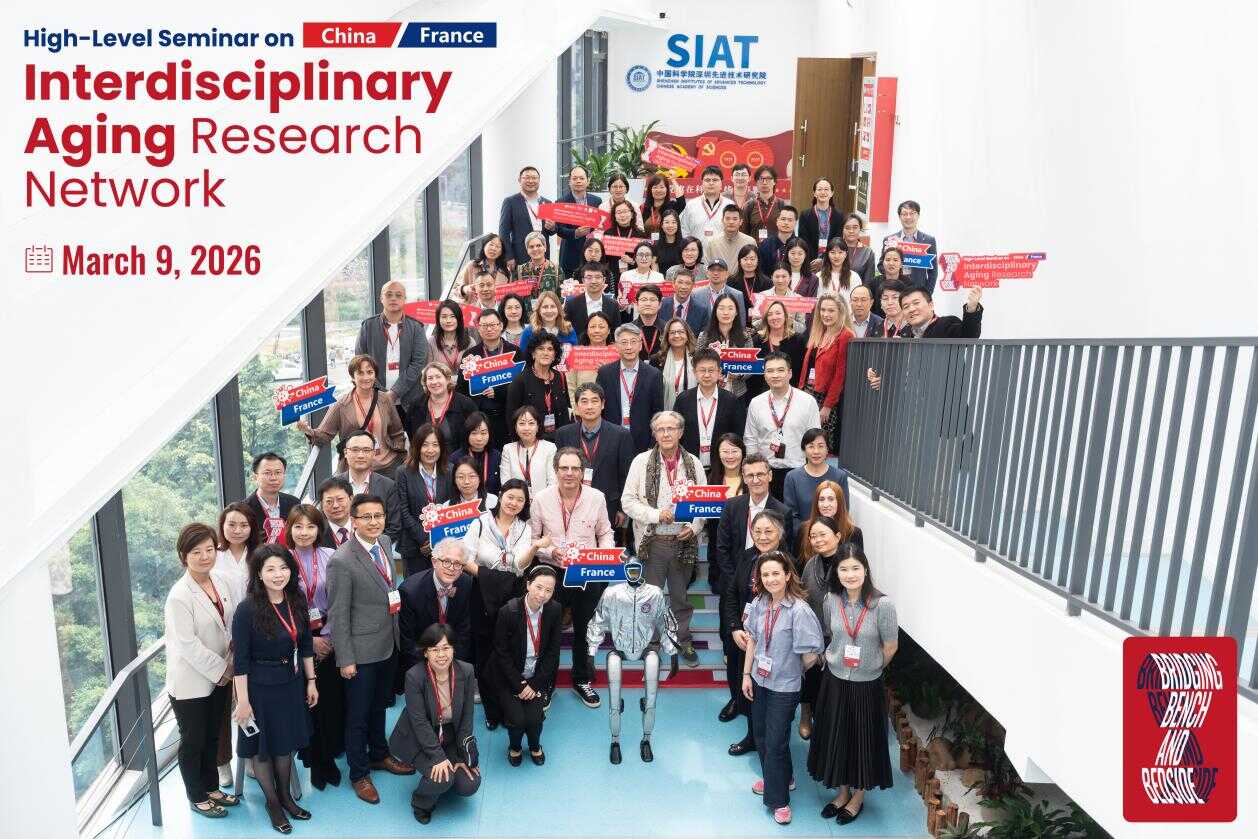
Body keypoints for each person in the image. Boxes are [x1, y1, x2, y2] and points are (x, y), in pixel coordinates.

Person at [327, 493, 415, 805]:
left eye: (378, 515)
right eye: (366, 517)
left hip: (388, 643)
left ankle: (380, 754)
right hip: (360, 653)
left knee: (380, 706)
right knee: (358, 716)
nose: (374, 522)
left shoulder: (385, 543)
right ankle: (359, 773)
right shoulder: (341, 561)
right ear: (353, 521)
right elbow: (338, 615)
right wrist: (346, 659)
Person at [807, 544, 898, 825]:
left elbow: (891, 646)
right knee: (838, 738)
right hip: (834, 681)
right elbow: (830, 633)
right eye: (844, 569)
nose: (850, 574)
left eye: (855, 568)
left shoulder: (882, 605)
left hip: (867, 685)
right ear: (837, 572)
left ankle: (857, 797)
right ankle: (842, 792)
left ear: (866, 570)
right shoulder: (831, 600)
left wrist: (872, 667)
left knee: (861, 742)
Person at [231, 544, 317, 833]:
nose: (278, 574)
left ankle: (286, 797)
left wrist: (312, 681)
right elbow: (240, 661)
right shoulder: (246, 610)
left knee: (284, 743)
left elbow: (305, 644)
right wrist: (243, 702)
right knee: (263, 749)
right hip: (259, 687)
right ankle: (273, 803)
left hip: (291, 682)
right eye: (270, 569)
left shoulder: (297, 600)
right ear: (258, 573)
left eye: (283, 568)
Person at [738, 551, 825, 826]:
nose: (771, 579)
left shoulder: (799, 610)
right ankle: (783, 778)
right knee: (762, 736)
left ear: (787, 575)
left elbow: (812, 654)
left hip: (785, 687)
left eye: (776, 573)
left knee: (775, 741)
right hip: (759, 680)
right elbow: (752, 640)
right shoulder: (759, 603)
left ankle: (779, 801)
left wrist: (792, 669)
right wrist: (746, 675)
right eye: (765, 574)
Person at [530, 447, 616, 707]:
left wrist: (604, 556)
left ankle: (581, 679)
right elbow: (533, 539)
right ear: (556, 471)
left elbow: (605, 533)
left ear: (582, 472)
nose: (569, 473)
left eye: (575, 468)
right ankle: (546, 683)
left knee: (585, 628)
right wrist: (550, 551)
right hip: (552, 572)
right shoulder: (541, 498)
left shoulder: (596, 497)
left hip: (586, 572)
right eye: (564, 468)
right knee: (549, 629)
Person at [459, 479, 547, 729]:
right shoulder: (480, 522)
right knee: (485, 649)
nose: (514, 503)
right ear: (500, 496)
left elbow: (520, 565)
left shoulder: (524, 528)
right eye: (510, 497)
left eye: (520, 500)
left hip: (512, 593)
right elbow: (465, 558)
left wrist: (534, 548)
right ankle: (491, 710)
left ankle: (509, 705)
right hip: (482, 592)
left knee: (509, 649)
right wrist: (488, 578)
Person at [166, 523, 240, 819]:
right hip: (192, 681)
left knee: (213, 736)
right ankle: (196, 796)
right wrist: (223, 670)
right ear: (184, 556)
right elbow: (187, 645)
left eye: (209, 549)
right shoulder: (179, 595)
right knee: (193, 740)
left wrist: (231, 661)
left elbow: (229, 622)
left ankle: (211, 787)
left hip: (222, 673)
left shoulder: (220, 580)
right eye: (196, 552)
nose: (205, 556)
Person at [621, 411, 706, 666]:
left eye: (671, 428)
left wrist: (694, 527)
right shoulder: (640, 462)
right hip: (652, 541)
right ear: (654, 433)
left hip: (683, 543)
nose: (666, 433)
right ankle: (652, 642)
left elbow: (703, 503)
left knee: (680, 597)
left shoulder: (694, 463)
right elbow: (628, 501)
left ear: (681, 432)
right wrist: (656, 515)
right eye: (661, 429)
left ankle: (683, 639)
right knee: (650, 596)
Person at [587, 555, 678, 764]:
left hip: (646, 648)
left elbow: (665, 622)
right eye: (630, 570)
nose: (633, 574)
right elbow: (597, 622)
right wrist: (591, 653)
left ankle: (646, 739)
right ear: (625, 571)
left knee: (651, 700)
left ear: (642, 570)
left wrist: (672, 652)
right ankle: (615, 741)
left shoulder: (654, 593)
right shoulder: (612, 593)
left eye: (637, 569)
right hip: (619, 649)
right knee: (614, 702)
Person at [388, 624, 481, 824]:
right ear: (425, 653)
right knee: (444, 777)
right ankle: (420, 802)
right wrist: (438, 758)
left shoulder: (466, 671)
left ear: (453, 649)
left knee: (470, 783)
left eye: (446, 648)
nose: (441, 655)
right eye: (434, 649)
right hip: (417, 737)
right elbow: (419, 722)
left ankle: (441, 782)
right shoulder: (414, 676)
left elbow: (467, 717)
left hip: (448, 733)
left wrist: (462, 755)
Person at [717, 507, 787, 754]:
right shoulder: (746, 557)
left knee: (769, 693)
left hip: (773, 642)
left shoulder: (788, 562)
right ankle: (753, 737)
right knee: (745, 685)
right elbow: (731, 595)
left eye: (769, 531)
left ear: (780, 533)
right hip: (744, 637)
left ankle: (771, 741)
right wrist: (735, 628)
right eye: (757, 531)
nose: (763, 536)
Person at [796, 514, 860, 742]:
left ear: (838, 536)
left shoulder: (848, 565)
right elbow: (802, 598)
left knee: (836, 687)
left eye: (822, 534)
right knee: (811, 678)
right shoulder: (810, 564)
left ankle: (831, 729)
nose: (817, 540)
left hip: (841, 637)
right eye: (813, 536)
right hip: (814, 636)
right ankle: (806, 714)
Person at [491, 565, 562, 764]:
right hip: (510, 677)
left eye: (548, 590)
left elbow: (553, 653)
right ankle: (514, 747)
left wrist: (535, 684)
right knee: (517, 720)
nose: (542, 594)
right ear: (528, 584)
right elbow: (501, 653)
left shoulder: (554, 610)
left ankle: (534, 746)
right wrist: (520, 685)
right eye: (538, 587)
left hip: (537, 677)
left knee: (534, 719)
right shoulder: (509, 611)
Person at [298, 355, 408, 475]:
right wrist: (308, 431)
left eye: (370, 372)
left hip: (387, 467)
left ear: (375, 375)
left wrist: (400, 457)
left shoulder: (385, 399)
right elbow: (324, 435)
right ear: (353, 377)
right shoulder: (342, 404)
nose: (366, 377)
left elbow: (397, 432)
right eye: (360, 373)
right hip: (356, 469)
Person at [553, 382, 635, 536]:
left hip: (608, 506)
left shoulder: (620, 435)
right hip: (571, 504)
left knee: (605, 545)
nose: (589, 406)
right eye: (584, 401)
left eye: (594, 401)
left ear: (603, 404)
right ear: (577, 406)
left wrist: (621, 508)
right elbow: (558, 472)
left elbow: (626, 475)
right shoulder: (563, 434)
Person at [744, 352, 822, 499]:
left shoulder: (807, 402)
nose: (775, 375)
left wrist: (813, 471)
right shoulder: (756, 403)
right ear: (764, 375)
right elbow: (750, 439)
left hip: (798, 470)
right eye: (770, 371)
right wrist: (754, 471)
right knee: (767, 513)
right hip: (765, 473)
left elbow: (815, 439)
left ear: (790, 373)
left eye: (780, 370)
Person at [354, 280, 430, 419]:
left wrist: (394, 392)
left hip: (411, 401)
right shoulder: (368, 326)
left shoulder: (416, 327)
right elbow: (359, 361)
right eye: (388, 295)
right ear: (381, 298)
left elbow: (419, 363)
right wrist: (381, 393)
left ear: (404, 299)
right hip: (374, 398)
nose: (393, 298)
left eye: (398, 295)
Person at [399, 539, 474, 675]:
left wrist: (454, 669)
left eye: (457, 564)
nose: (451, 568)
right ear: (434, 562)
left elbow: (464, 632)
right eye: (446, 561)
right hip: (421, 661)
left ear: (462, 568)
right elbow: (408, 642)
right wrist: (430, 673)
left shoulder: (466, 583)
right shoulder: (410, 591)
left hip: (453, 660)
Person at [596, 323, 665, 454]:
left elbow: (658, 412)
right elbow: (599, 407)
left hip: (643, 441)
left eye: (633, 342)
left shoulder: (654, 374)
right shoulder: (605, 373)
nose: (629, 347)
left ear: (640, 345)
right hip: (611, 438)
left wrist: (652, 444)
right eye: (624, 342)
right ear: (616, 346)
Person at [396, 423, 455, 575]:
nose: (430, 450)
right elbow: (403, 510)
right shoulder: (403, 472)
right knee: (415, 587)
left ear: (441, 448)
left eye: (435, 445)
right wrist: (424, 539)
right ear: (417, 447)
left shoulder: (450, 471)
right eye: (425, 445)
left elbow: (453, 507)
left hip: (444, 546)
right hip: (413, 545)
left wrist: (436, 539)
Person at [799, 296, 855, 450]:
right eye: (823, 310)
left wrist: (828, 406)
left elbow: (840, 374)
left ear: (841, 312)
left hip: (825, 399)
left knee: (820, 444)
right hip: (808, 392)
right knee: (805, 442)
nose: (825, 314)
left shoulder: (846, 335)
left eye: (831, 310)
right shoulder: (819, 331)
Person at [676, 349, 746, 469]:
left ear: (719, 372)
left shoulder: (731, 400)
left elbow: (738, 434)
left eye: (711, 370)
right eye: (702, 370)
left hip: (722, 466)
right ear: (694, 372)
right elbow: (677, 432)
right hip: (689, 464)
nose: (707, 375)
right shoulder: (683, 399)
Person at [464, 311, 520, 451]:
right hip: (480, 418)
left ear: (501, 326)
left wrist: (498, 392)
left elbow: (522, 384)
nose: (489, 329)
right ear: (478, 328)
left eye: (493, 325)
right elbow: (462, 389)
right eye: (484, 326)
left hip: (507, 416)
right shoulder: (470, 355)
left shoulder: (515, 352)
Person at [336, 429, 402, 546]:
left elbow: (394, 527)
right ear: (345, 452)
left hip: (375, 549)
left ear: (374, 453)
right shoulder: (333, 485)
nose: (360, 455)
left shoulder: (388, 486)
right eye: (355, 450)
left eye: (366, 450)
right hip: (339, 548)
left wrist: (371, 546)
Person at [784, 430, 852, 537]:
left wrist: (827, 535)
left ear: (827, 449)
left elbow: (843, 511)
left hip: (832, 537)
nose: (816, 451)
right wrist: (812, 534)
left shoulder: (840, 476)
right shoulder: (792, 477)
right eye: (811, 446)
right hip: (803, 537)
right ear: (804, 449)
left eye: (821, 446)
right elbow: (791, 516)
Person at [505, 332, 571, 441]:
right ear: (533, 353)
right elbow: (511, 417)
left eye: (550, 349)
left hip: (559, 440)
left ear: (555, 355)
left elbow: (565, 410)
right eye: (541, 348)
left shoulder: (560, 377)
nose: (546, 353)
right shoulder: (520, 381)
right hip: (532, 442)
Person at [409, 361, 478, 449]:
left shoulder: (465, 404)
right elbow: (412, 435)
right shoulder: (416, 405)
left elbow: (475, 434)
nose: (434, 382)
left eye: (438, 377)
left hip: (457, 456)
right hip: (426, 455)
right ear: (425, 382)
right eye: (430, 378)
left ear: (448, 379)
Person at [696, 295, 754, 401]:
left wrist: (739, 374)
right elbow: (697, 362)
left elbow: (751, 366)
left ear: (736, 312)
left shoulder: (745, 336)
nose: (726, 312)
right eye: (721, 308)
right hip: (709, 391)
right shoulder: (704, 336)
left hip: (737, 393)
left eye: (730, 308)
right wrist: (712, 374)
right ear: (715, 311)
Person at [498, 165, 554, 271]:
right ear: (519, 180)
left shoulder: (546, 203)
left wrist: (552, 227)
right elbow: (503, 232)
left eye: (534, 178)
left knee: (543, 280)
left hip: (542, 253)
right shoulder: (511, 202)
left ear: (539, 180)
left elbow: (552, 232)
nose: (531, 181)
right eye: (527, 178)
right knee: (521, 281)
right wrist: (509, 256)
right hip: (520, 254)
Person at [555, 165, 606, 277]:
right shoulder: (561, 202)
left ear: (588, 181)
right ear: (569, 182)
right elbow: (559, 229)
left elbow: (600, 225)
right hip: (570, 255)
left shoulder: (597, 201)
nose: (578, 181)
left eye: (582, 178)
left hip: (593, 255)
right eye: (575, 178)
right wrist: (575, 233)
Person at [750, 299, 805, 399]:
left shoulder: (798, 340)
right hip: (762, 396)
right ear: (766, 318)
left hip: (791, 395)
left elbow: (801, 371)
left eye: (778, 313)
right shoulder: (757, 340)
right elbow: (752, 374)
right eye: (770, 314)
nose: (774, 317)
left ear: (785, 316)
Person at [881, 199, 938, 293]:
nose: (908, 217)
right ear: (899, 217)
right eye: (904, 214)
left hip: (918, 291)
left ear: (918, 215)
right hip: (894, 290)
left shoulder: (929, 241)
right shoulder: (889, 240)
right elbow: (881, 266)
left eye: (912, 213)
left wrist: (927, 294)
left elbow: (933, 272)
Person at [798, 481, 862, 563]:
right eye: (821, 499)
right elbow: (798, 566)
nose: (826, 505)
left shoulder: (853, 532)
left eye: (831, 499)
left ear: (839, 502)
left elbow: (859, 564)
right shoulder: (804, 529)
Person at [500, 405, 557, 494]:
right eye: (522, 423)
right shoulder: (508, 449)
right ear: (515, 427)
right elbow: (506, 483)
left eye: (531, 423)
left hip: (543, 499)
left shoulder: (549, 448)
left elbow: (553, 482)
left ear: (538, 426)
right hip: (516, 500)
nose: (526, 428)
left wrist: (541, 500)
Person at [244, 453, 299, 545]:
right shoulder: (244, 509)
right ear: (255, 477)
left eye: (278, 472)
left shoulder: (294, 503)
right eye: (267, 473)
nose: (273, 478)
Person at [563, 309, 614, 407]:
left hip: (611, 407)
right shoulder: (576, 354)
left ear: (608, 331)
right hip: (584, 408)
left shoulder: (617, 353)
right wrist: (576, 409)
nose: (597, 330)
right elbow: (570, 387)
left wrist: (607, 372)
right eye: (593, 327)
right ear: (587, 330)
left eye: (601, 327)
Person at [215, 502, 260, 606]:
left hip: (254, 612)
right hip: (220, 613)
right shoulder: (212, 553)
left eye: (244, 525)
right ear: (222, 525)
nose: (237, 531)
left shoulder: (260, 554)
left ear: (251, 528)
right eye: (231, 525)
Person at [427, 302, 475, 395]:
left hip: (464, 391)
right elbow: (429, 371)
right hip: (439, 391)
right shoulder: (431, 342)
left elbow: (473, 372)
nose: (448, 321)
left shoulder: (470, 342)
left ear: (459, 319)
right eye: (444, 317)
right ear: (438, 319)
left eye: (452, 316)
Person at [450, 412, 502, 497]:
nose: (479, 438)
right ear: (467, 434)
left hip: (491, 502)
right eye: (474, 433)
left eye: (483, 433)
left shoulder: (496, 456)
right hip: (464, 503)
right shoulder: (456, 457)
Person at [901, 285, 984, 338]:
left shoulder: (947, 324)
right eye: (906, 306)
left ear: (931, 305)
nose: (911, 309)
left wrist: (972, 308)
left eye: (916, 303)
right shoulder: (904, 333)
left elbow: (969, 336)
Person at [563, 262, 619, 337]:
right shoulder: (571, 304)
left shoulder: (613, 305)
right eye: (589, 277)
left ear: (604, 280)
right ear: (583, 280)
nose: (593, 281)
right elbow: (566, 331)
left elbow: (616, 332)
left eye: (598, 277)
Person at [604, 199, 648, 292]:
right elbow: (605, 259)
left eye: (625, 211)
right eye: (619, 212)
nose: (622, 215)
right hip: (613, 277)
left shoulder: (640, 234)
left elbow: (647, 260)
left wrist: (632, 261)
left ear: (632, 214)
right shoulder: (608, 234)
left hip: (635, 277)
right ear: (614, 216)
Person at [681, 165, 734, 241]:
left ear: (721, 183)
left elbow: (735, 231)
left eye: (715, 180)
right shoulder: (691, 205)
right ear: (702, 183)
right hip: (697, 248)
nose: (711, 183)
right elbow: (684, 231)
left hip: (723, 248)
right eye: (707, 180)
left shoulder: (730, 205)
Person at [652, 317, 697, 407]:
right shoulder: (656, 360)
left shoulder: (697, 358)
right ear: (667, 336)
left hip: (691, 410)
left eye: (681, 332)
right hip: (664, 411)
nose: (676, 335)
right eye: (672, 332)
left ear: (687, 335)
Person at [798, 177, 842, 263]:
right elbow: (804, 241)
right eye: (819, 189)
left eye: (826, 189)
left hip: (831, 261)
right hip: (810, 261)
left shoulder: (839, 216)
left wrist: (824, 260)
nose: (823, 192)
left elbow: (838, 240)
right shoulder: (805, 215)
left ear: (832, 193)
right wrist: (814, 261)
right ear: (814, 193)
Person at [457, 235, 510, 303]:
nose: (494, 248)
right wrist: (464, 289)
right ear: (484, 246)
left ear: (501, 252)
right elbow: (455, 288)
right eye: (491, 244)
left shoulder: (505, 271)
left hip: (496, 309)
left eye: (498, 247)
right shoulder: (472, 265)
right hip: (474, 308)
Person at [695, 258, 748, 326]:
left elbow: (741, 322)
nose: (716, 273)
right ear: (707, 273)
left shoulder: (737, 295)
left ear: (727, 274)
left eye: (720, 270)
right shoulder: (697, 294)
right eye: (712, 270)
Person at [706, 204, 757, 274]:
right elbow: (707, 266)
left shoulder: (750, 242)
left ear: (741, 222)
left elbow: (755, 266)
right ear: (722, 220)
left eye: (735, 219)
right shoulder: (713, 243)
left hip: (742, 280)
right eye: (727, 219)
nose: (731, 222)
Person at [658, 270, 711, 336]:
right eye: (680, 282)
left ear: (693, 286)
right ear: (673, 284)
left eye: (688, 283)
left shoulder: (702, 310)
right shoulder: (661, 305)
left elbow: (704, 337)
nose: (683, 287)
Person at [742, 165, 786, 241]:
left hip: (776, 248)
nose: (764, 182)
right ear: (756, 182)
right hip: (754, 247)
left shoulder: (782, 205)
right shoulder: (749, 206)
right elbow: (743, 234)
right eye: (761, 179)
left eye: (768, 179)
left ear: (774, 182)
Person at [617, 242, 665, 310]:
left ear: (652, 258)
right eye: (640, 255)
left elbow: (661, 301)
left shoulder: (659, 277)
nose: (644, 258)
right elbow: (620, 302)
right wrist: (622, 302)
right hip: (631, 313)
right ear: (635, 258)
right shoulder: (625, 275)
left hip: (652, 312)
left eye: (647, 255)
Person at [756, 204, 800, 274]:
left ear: (795, 223)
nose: (786, 223)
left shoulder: (800, 245)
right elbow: (761, 271)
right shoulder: (766, 244)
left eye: (790, 220)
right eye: (783, 219)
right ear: (777, 221)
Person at [816, 239, 862, 305]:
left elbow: (857, 301)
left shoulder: (854, 277)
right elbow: (817, 301)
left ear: (846, 254)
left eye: (840, 252)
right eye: (833, 252)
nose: (836, 256)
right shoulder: (819, 276)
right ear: (827, 254)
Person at [639, 173, 686, 237]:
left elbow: (681, 202)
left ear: (667, 189)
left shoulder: (672, 206)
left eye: (662, 187)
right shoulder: (643, 208)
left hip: (667, 243)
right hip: (647, 243)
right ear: (650, 190)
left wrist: (673, 180)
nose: (658, 190)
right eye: (655, 187)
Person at [515, 231, 561, 296]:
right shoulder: (519, 271)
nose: (535, 249)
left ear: (545, 247)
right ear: (527, 250)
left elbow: (561, 297)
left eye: (538, 245)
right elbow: (514, 297)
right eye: (531, 246)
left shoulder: (556, 270)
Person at [733, 244, 772, 313]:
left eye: (752, 259)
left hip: (761, 318)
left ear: (758, 261)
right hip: (738, 318)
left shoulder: (767, 283)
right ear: (739, 261)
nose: (749, 262)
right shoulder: (731, 282)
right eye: (745, 259)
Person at [840, 214, 877, 288]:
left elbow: (868, 282)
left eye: (855, 227)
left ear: (860, 229)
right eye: (847, 228)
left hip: (858, 292)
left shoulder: (867, 252)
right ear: (842, 229)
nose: (851, 231)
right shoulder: (834, 248)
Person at [632, 283, 665, 360]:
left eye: (652, 300)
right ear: (636, 304)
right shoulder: (629, 329)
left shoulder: (667, 329)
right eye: (644, 300)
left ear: (660, 304)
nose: (648, 304)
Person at [652, 210, 685, 275]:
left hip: (681, 280)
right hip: (662, 280)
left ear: (678, 225)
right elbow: (654, 271)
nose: (670, 225)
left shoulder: (684, 245)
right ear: (662, 225)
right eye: (667, 222)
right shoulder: (656, 246)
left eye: (673, 222)